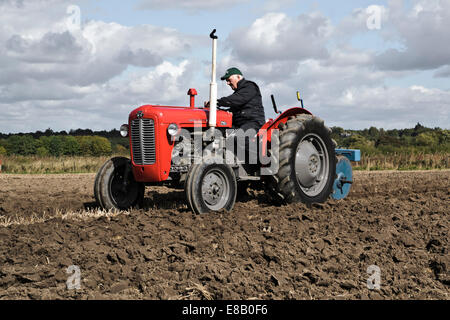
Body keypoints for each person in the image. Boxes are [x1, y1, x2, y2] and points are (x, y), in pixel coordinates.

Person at [205, 67, 266, 131]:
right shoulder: (238, 92)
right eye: (227, 81)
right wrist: (216, 110)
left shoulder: (250, 87)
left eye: (229, 80)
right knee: (220, 131)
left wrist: (217, 102)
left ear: (238, 77)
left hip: (253, 123)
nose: (227, 83)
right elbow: (232, 109)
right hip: (238, 124)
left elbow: (235, 100)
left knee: (237, 137)